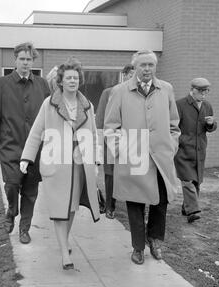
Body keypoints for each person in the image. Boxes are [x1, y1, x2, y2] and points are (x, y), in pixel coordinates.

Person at [20, 58, 100, 270]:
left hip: (79, 164)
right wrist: (26, 157)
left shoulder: (88, 106)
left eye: (76, 78)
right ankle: (65, 252)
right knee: (59, 207)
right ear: (61, 81)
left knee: (72, 207)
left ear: (79, 81)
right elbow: (36, 132)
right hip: (55, 163)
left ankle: (64, 240)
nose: (72, 81)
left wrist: (96, 160)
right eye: (68, 78)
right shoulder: (50, 104)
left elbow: (92, 135)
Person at [104, 50, 180, 264]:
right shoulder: (119, 92)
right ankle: (138, 247)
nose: (147, 69)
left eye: (151, 65)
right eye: (142, 65)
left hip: (160, 158)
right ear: (134, 67)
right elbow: (110, 127)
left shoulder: (166, 89)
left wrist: (171, 146)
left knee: (161, 201)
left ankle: (155, 239)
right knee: (135, 204)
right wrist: (122, 150)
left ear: (155, 67)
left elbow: (175, 125)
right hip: (133, 157)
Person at [0, 42, 50, 244]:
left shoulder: (42, 84)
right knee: (12, 185)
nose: (25, 63)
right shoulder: (1, 84)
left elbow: (49, 116)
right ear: (15, 60)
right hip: (10, 146)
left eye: (29, 59)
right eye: (22, 59)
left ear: (33, 61)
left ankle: (24, 229)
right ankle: (11, 211)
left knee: (30, 192)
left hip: (35, 149)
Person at [174, 78, 217, 223]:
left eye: (206, 92)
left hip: (200, 150)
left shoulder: (207, 106)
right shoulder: (180, 104)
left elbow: (209, 128)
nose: (204, 95)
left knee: (196, 181)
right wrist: (180, 141)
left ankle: (186, 208)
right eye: (201, 92)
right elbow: (172, 127)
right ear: (192, 90)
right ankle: (193, 210)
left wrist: (211, 124)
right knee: (187, 180)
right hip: (183, 150)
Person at [95, 64, 134, 219]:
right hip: (111, 140)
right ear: (124, 75)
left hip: (132, 141)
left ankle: (134, 207)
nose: (133, 78)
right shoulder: (109, 92)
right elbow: (100, 120)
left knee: (132, 174)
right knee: (111, 175)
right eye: (130, 74)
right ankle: (110, 206)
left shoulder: (137, 94)